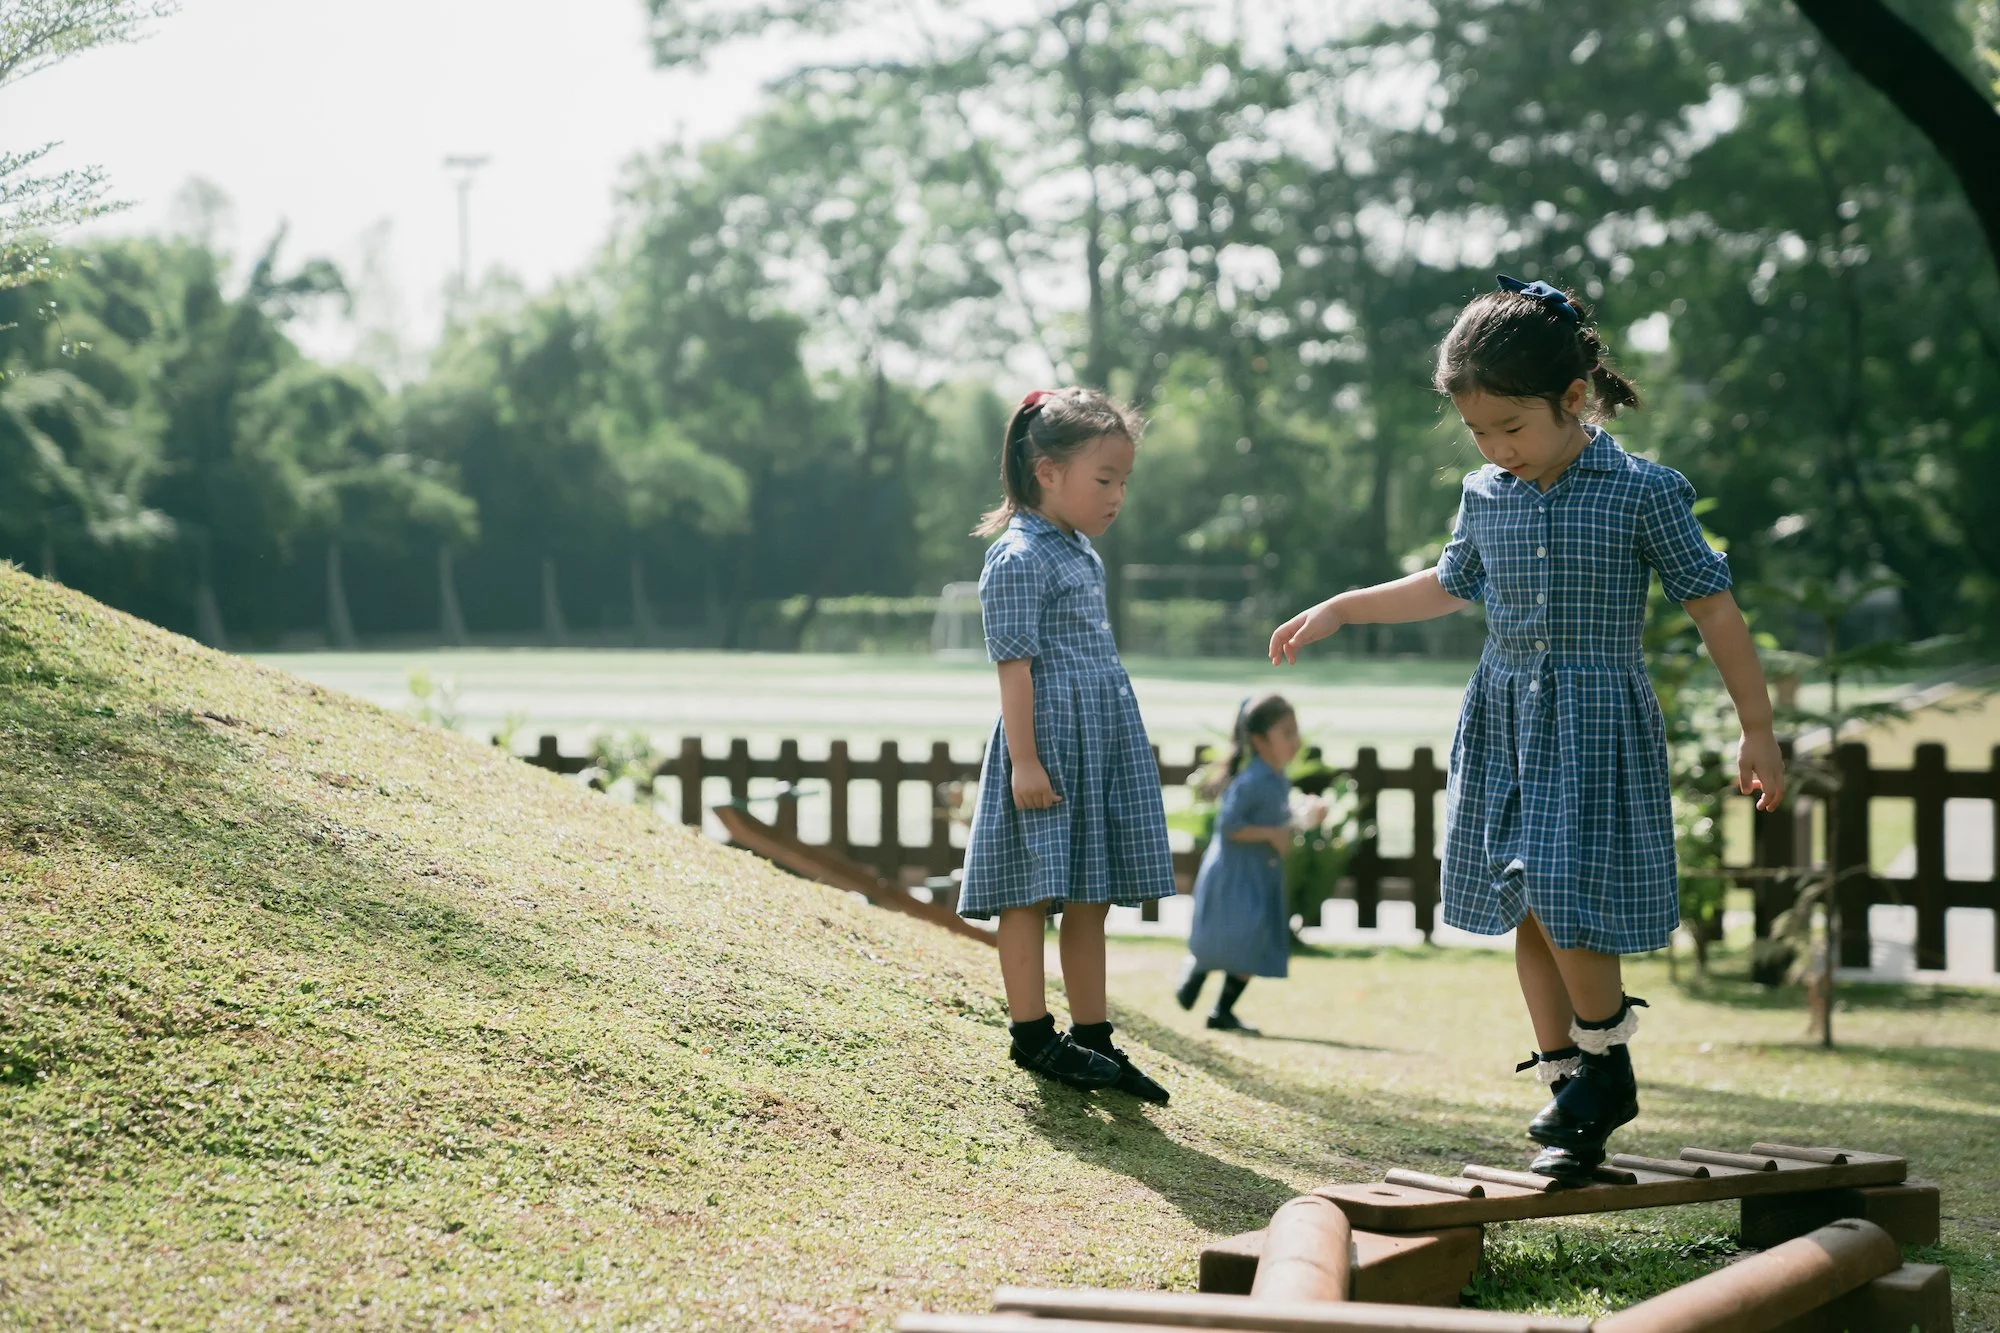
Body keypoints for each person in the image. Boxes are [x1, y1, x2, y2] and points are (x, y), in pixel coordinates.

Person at [1268, 276, 1785, 1178]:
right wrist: (1344, 607)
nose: (1496, 447)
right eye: (1479, 432)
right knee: (1525, 904)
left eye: (1513, 427)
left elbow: (1714, 608)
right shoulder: (1486, 493)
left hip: (1593, 724)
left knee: (1562, 894)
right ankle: (1571, 1088)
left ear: (1573, 398)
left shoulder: (1641, 492)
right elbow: (1447, 581)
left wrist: (1758, 728)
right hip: (1506, 718)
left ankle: (1608, 1067)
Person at [959, 387, 1176, 1105]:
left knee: (1092, 891)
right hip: (1047, 743)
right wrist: (1024, 758)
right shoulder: (1017, 557)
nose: (1117, 495)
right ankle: (1032, 1033)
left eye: (1124, 481)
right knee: (1028, 890)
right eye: (1103, 479)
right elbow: (1013, 668)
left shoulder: (1080, 550)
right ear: (1047, 471)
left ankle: (1093, 1035)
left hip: (1099, 739)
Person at [1176, 695, 1321, 1034]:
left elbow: (1279, 819)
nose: (1295, 740)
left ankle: (1220, 1010)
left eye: (1295, 731)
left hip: (1259, 873)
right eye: (1286, 733)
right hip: (1236, 873)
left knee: (1254, 941)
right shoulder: (1253, 779)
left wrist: (1303, 817)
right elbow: (1228, 827)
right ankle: (1199, 974)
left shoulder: (1276, 777)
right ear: (1259, 740)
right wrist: (1272, 833)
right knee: (1240, 936)